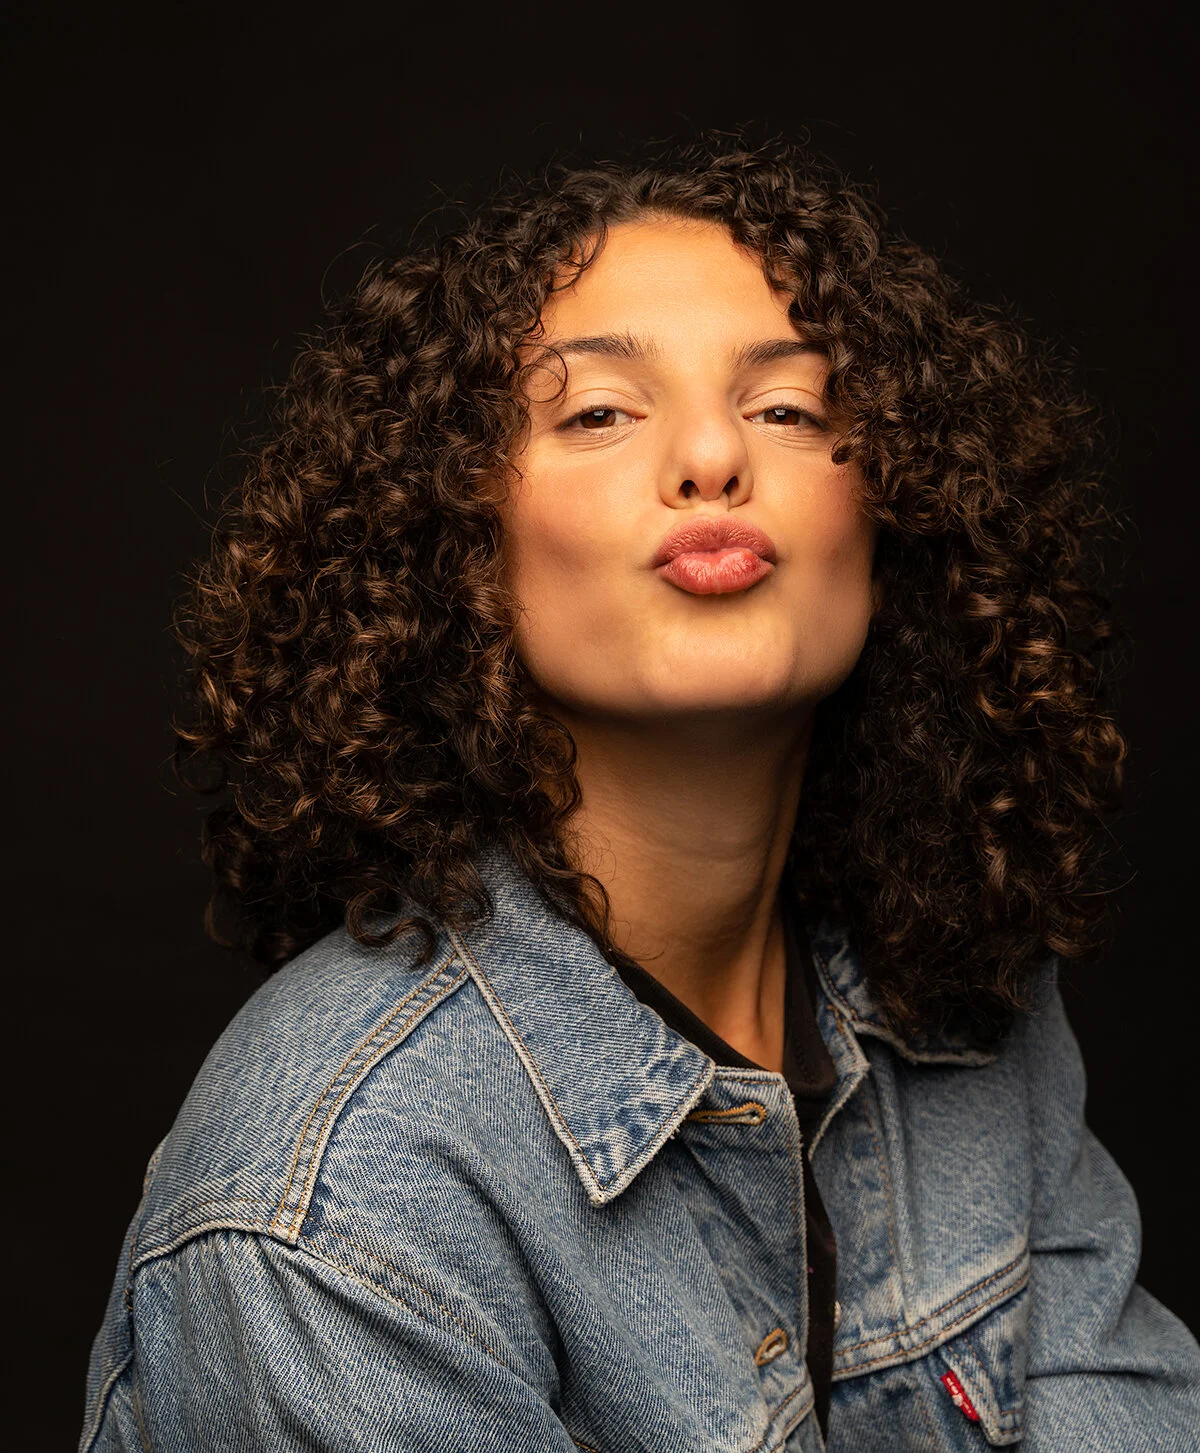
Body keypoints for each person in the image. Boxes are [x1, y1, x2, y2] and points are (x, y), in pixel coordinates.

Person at [80, 136, 1199, 1452]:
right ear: (461, 544)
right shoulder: (332, 1198)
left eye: (790, 408)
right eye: (599, 411)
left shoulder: (968, 1005)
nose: (715, 453)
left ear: (898, 521)